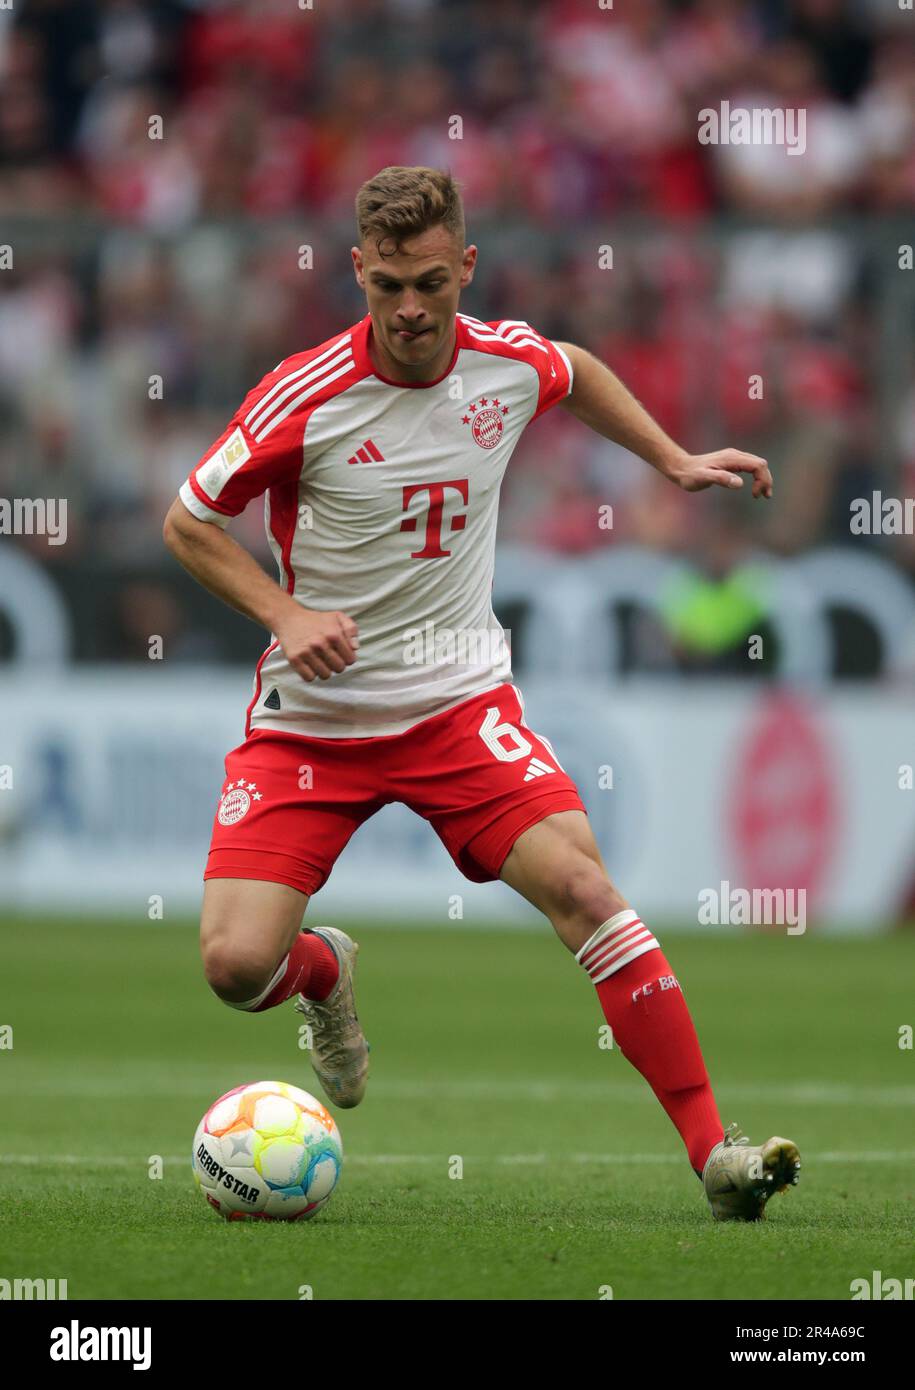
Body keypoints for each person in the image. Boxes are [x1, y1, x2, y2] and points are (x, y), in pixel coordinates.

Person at [163, 165, 799, 1221]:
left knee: (586, 890)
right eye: (388, 287)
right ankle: (324, 974)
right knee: (235, 966)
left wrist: (672, 459)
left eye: (431, 283)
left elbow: (574, 368)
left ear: (466, 267)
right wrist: (285, 614)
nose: (411, 308)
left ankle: (715, 1157)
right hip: (313, 725)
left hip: (459, 709)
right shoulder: (304, 394)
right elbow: (188, 520)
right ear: (358, 272)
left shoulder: (505, 364)